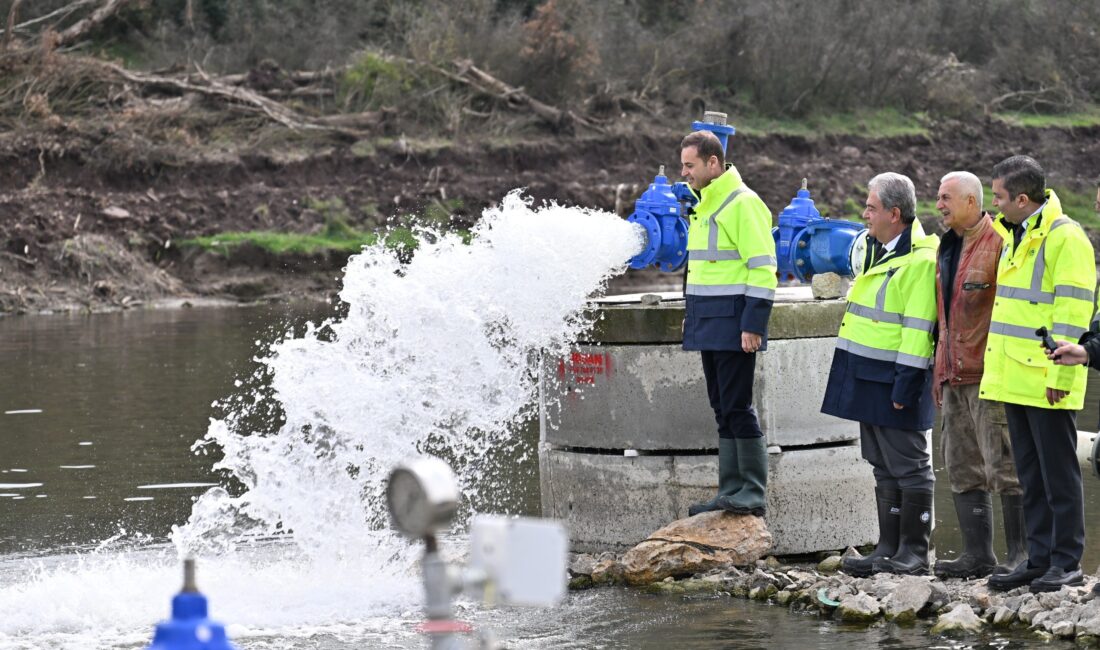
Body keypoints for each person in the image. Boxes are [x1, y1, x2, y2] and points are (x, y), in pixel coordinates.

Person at [982, 156, 1096, 593]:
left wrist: (1061, 378)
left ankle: (1066, 562)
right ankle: (1040, 558)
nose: (993, 206)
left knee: (1059, 476)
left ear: (1022, 199)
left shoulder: (1065, 238)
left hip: (1048, 379)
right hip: (1016, 377)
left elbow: (1072, 314)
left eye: (998, 197)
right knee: (1031, 476)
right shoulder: (1018, 233)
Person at [822, 172, 939, 577]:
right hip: (868, 377)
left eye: (871, 207)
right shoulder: (882, 251)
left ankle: (915, 553)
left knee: (909, 467)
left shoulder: (921, 260)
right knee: (882, 465)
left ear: (894, 212)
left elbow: (918, 330)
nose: (864, 214)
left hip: (894, 381)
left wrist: (905, 386)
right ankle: (887, 550)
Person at [930, 171, 1026, 579]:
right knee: (962, 464)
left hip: (990, 375)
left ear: (972, 202)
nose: (939, 204)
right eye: (938, 197)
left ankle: (1022, 555)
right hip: (953, 373)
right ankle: (978, 555)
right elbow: (944, 315)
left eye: (946, 197)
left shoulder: (1000, 244)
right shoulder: (946, 247)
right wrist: (939, 363)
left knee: (1005, 467)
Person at [680, 130, 778, 519]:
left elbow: (763, 268)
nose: (684, 173)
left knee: (737, 405)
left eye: (690, 165)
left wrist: (753, 324)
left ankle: (751, 492)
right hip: (708, 321)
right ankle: (730, 490)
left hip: (735, 323)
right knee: (722, 406)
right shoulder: (706, 204)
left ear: (713, 163)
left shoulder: (743, 203)